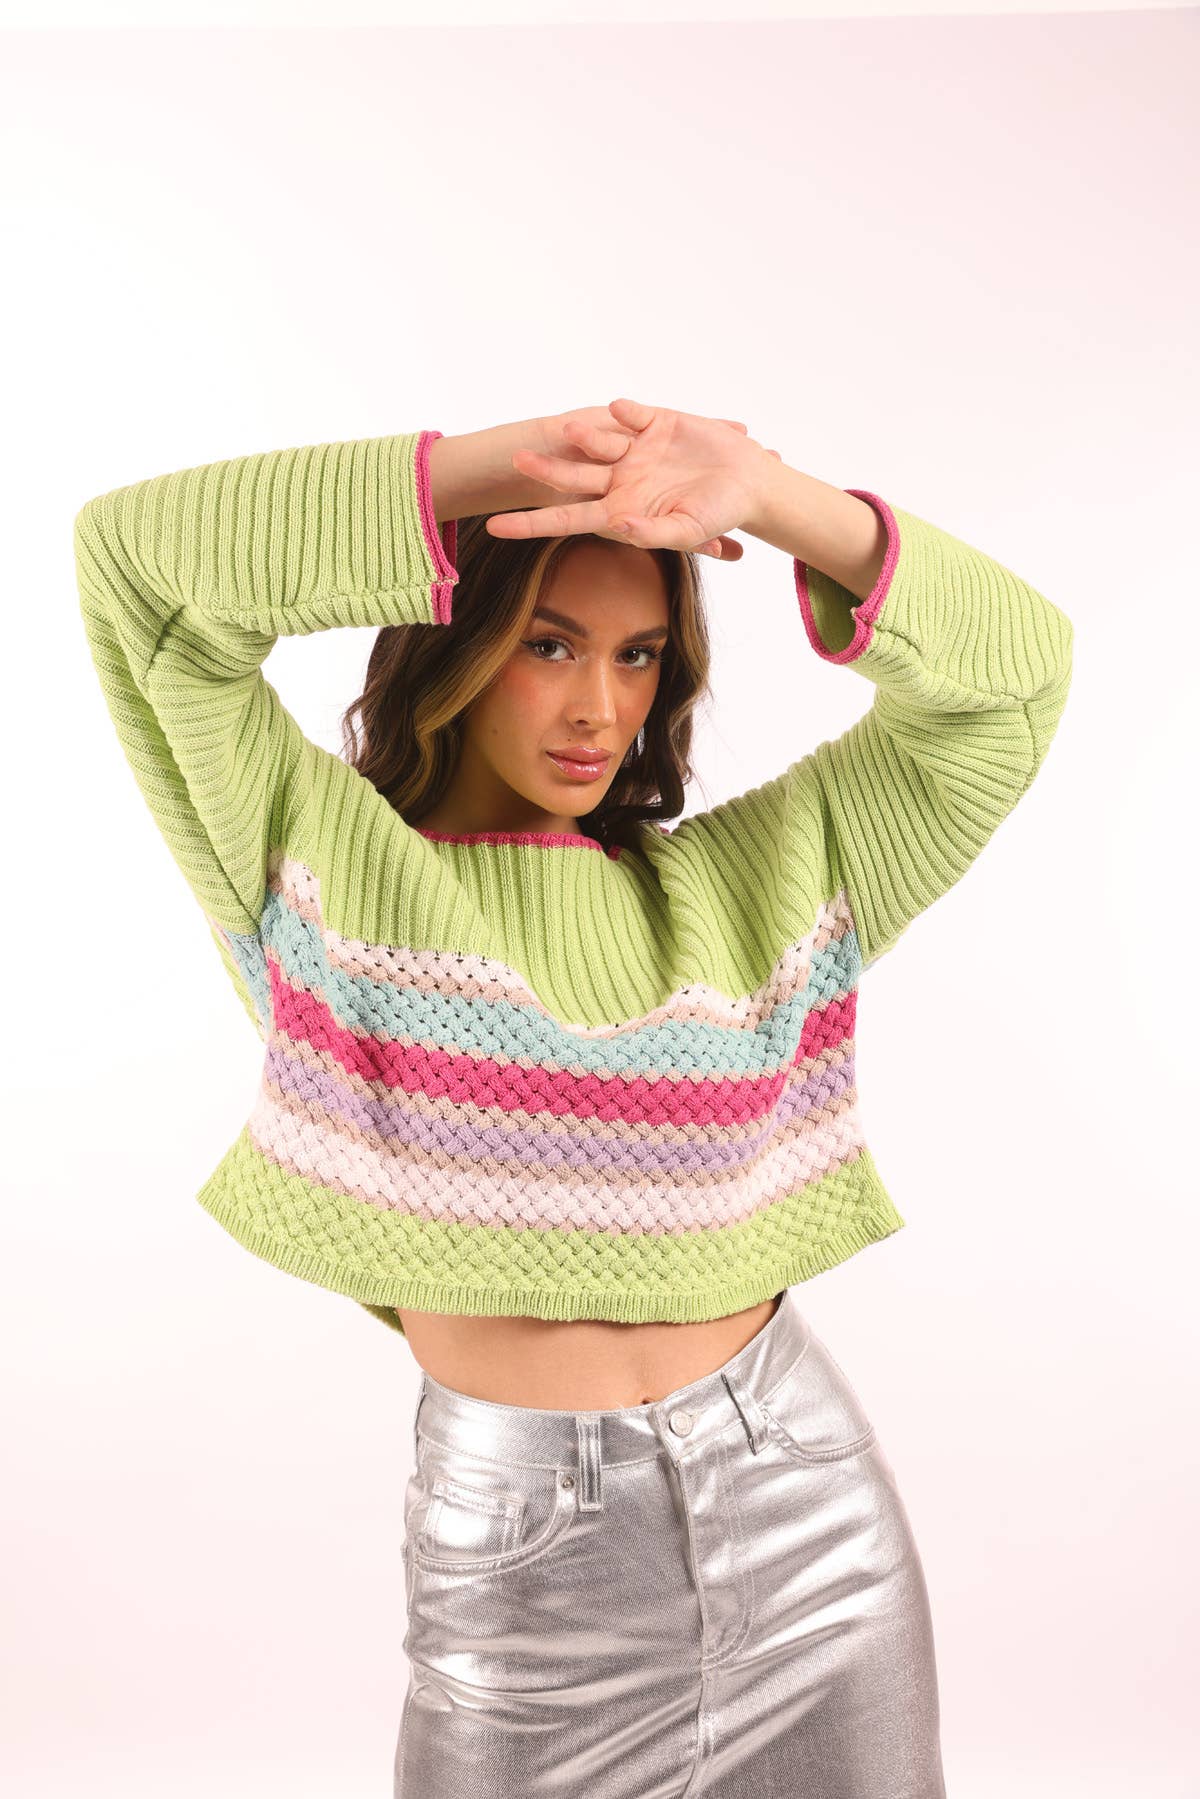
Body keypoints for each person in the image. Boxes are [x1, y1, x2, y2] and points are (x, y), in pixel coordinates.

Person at [74, 398, 1074, 1796]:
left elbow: (1016, 680)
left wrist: (768, 494)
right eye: (548, 645)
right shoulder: (317, 863)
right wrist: (527, 469)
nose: (601, 706)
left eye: (637, 654)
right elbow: (136, 564)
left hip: (807, 1516)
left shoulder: (758, 882)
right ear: (456, 642)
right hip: (522, 1574)